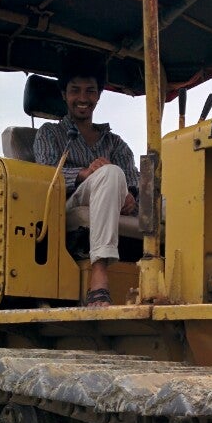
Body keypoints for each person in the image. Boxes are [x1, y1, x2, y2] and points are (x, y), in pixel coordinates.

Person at [34, 55, 139, 307]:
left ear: (99, 95)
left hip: (114, 202)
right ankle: (99, 276)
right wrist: (84, 173)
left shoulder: (114, 142)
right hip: (67, 205)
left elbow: (133, 179)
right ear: (64, 94)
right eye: (75, 90)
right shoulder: (50, 133)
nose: (83, 98)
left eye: (90, 91)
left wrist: (131, 198)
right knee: (110, 173)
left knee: (166, 199)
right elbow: (46, 175)